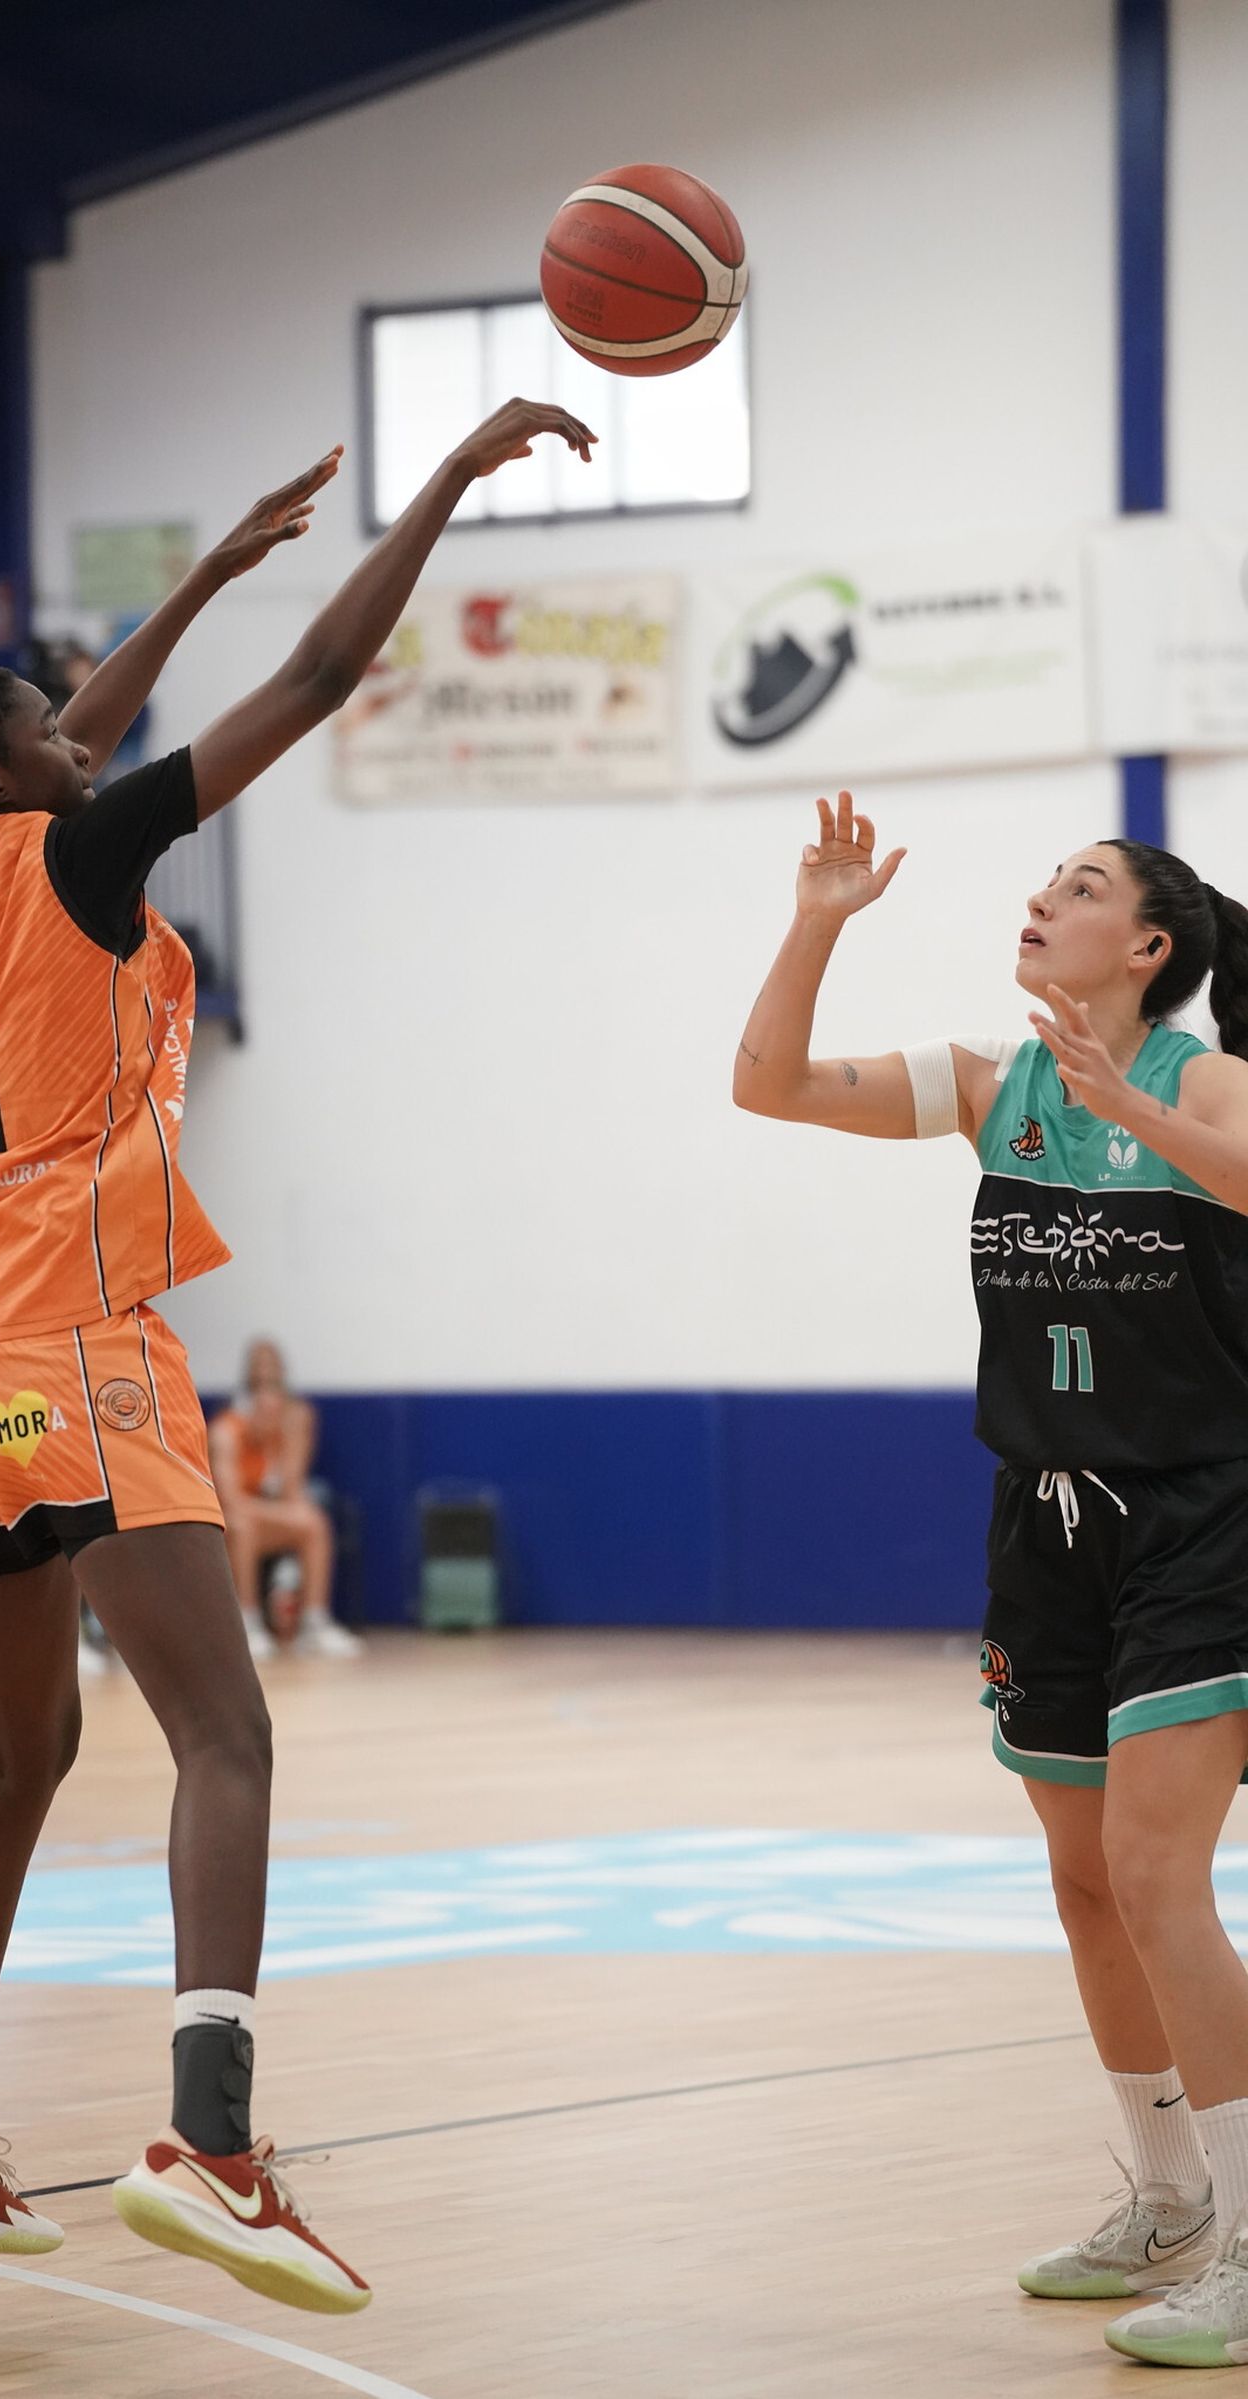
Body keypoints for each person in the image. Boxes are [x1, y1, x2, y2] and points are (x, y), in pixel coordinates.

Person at [0, 397, 595, 2309]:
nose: (79, 733)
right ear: (24, 767)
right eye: (53, 728)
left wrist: (202, 565)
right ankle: (216, 2133)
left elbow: (67, 724)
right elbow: (333, 672)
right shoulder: (83, 856)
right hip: (69, 1325)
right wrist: (444, 481)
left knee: (27, 1743)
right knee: (225, 1734)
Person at [733, 795, 1248, 2372]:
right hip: (1046, 1522)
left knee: (1162, 1874)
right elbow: (767, 1085)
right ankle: (1167, 2206)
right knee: (1088, 1877)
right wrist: (822, 915)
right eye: (1043, 880)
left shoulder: (1204, 1070)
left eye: (1078, 886)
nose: (1042, 898)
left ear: (1147, 946)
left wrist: (1135, 1106)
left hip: (1202, 1516)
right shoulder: (988, 1081)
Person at [210, 1339, 360, 1660]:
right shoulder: (226, 1432)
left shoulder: (285, 1432)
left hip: (260, 1520)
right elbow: (230, 1502)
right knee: (242, 1525)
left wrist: (286, 1453)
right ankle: (247, 1624)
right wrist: (280, 1513)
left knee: (313, 1524)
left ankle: (314, 1623)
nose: (271, 1417)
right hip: (224, 1527)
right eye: (263, 1408)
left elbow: (293, 1494)